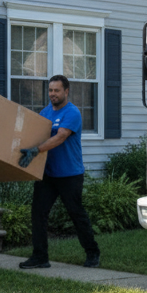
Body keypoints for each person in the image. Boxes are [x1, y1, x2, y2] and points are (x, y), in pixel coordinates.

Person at [18, 75, 100, 270]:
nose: (52, 94)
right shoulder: (45, 113)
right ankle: (40, 257)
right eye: (50, 90)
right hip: (48, 174)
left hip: (70, 174)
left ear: (66, 91)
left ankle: (92, 253)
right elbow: (35, 135)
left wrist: (36, 150)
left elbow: (61, 137)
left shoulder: (72, 113)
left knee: (76, 213)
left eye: (56, 90)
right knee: (38, 213)